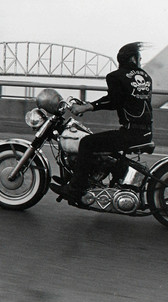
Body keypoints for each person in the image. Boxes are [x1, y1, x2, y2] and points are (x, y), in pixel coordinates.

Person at [50, 42, 153, 202]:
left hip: (131, 133)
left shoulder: (116, 76)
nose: (140, 61)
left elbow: (114, 101)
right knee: (104, 147)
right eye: (139, 57)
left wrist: (86, 107)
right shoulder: (146, 77)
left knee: (87, 143)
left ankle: (76, 189)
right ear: (133, 58)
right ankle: (102, 176)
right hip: (145, 131)